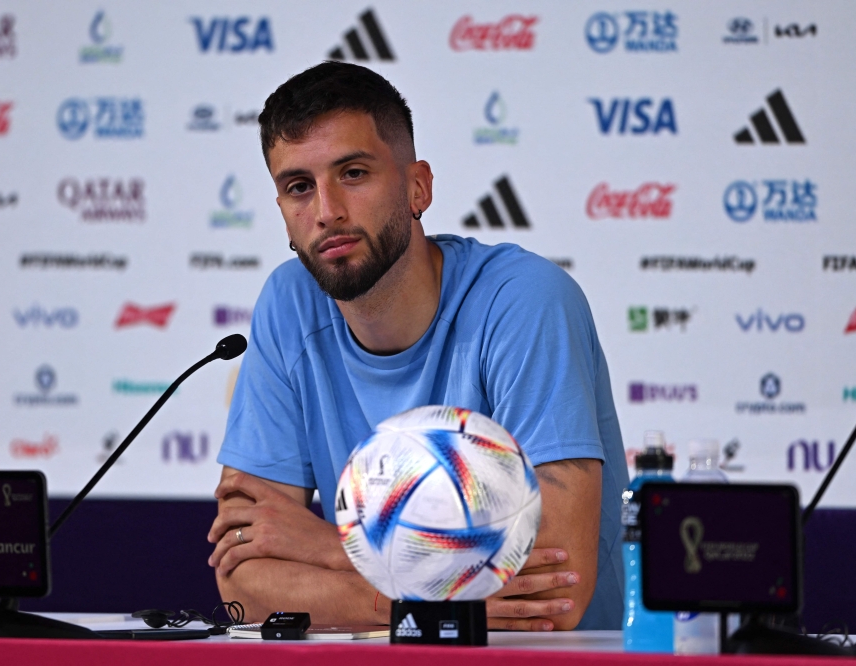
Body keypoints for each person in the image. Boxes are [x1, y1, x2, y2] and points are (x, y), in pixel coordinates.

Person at [207, 61, 628, 631]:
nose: (327, 211)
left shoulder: (526, 301)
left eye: (353, 173)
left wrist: (333, 548)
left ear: (417, 187)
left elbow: (553, 590)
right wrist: (432, 602)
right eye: (298, 186)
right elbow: (243, 582)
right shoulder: (288, 303)